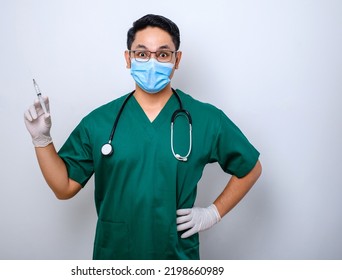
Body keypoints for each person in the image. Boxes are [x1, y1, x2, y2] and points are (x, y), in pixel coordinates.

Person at [24, 14, 262, 260]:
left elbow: (250, 168)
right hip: (116, 257)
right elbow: (64, 187)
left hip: (176, 257)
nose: (152, 62)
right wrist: (42, 141)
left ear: (176, 59)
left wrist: (213, 213)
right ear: (128, 58)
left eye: (162, 54)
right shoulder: (99, 122)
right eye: (141, 53)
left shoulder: (206, 119)